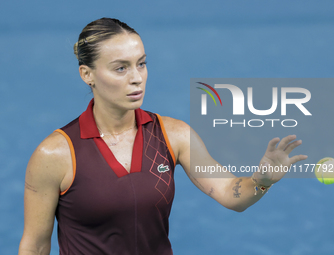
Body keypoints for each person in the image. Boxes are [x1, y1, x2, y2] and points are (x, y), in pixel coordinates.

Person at [18, 18, 307, 255]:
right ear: (87, 74)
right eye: (121, 68)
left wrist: (261, 182)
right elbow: (35, 246)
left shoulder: (174, 135)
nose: (137, 77)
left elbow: (231, 194)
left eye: (141, 64)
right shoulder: (55, 155)